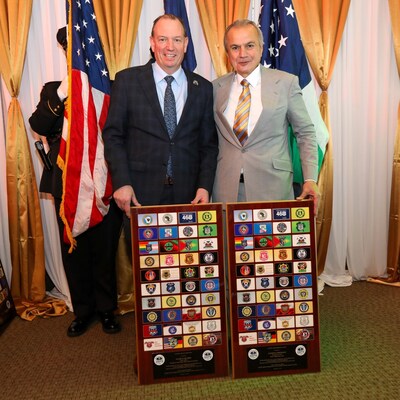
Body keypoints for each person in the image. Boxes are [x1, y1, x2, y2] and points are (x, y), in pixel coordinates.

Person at [29, 27, 122, 337]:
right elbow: (38, 123)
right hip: (67, 182)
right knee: (74, 249)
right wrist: (63, 92)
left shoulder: (109, 86)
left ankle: (107, 309)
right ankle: (83, 311)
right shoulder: (54, 89)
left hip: (104, 179)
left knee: (105, 248)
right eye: (72, 49)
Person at [102, 14, 218, 238]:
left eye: (176, 40)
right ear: (152, 42)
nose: (170, 47)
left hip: (190, 197)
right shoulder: (127, 81)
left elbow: (208, 145)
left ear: (185, 44)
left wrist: (205, 187)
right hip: (140, 194)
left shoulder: (202, 88)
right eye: (163, 39)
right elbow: (113, 136)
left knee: (187, 267)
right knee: (145, 269)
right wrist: (122, 183)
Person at [212, 19, 320, 211]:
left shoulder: (286, 83)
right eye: (235, 47)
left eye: (250, 45)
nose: (243, 54)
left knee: (271, 242)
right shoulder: (214, 88)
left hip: (273, 188)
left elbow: (306, 133)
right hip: (226, 191)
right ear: (227, 53)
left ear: (261, 48)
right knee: (228, 242)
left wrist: (310, 178)